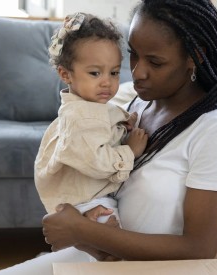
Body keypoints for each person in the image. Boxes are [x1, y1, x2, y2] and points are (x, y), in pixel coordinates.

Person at [0, 0, 217, 273]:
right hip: (100, 256)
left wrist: (83, 232)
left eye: (155, 62)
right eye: (133, 54)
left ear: (195, 56)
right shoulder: (141, 103)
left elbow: (198, 250)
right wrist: (83, 228)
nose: (137, 73)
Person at [35, 12, 148, 223]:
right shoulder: (80, 118)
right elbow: (96, 162)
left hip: (93, 195)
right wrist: (130, 151)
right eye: (95, 73)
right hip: (84, 201)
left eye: (114, 73)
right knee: (112, 235)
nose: (107, 82)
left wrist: (123, 122)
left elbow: (106, 121)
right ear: (65, 74)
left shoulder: (92, 106)